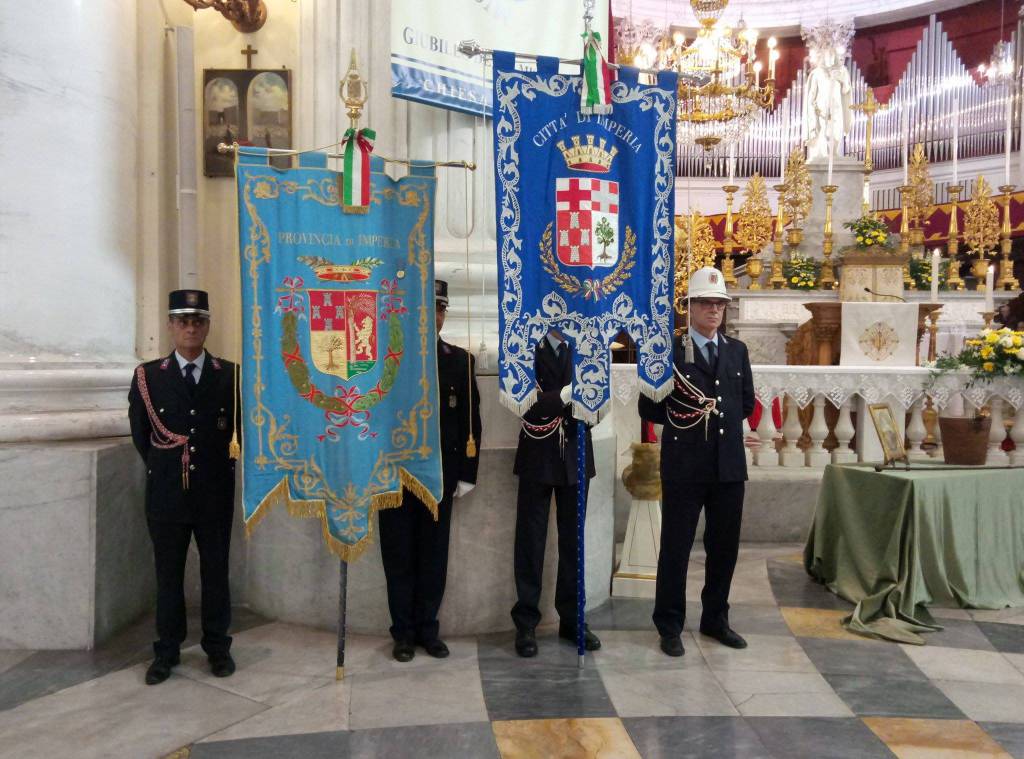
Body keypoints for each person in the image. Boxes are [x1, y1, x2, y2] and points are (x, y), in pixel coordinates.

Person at [638, 267, 755, 657]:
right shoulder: (669, 350)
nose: (714, 310)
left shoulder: (737, 351)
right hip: (685, 465)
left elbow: (746, 402)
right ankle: (669, 624)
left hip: (727, 467)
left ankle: (715, 619)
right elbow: (648, 407)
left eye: (719, 304)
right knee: (676, 546)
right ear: (689, 308)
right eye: (706, 303)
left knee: (724, 547)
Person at [128, 290, 239, 685]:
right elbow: (143, 437)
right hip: (167, 496)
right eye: (182, 321)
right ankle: (167, 651)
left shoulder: (229, 375)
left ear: (207, 325)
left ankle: (217, 647)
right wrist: (171, 469)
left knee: (215, 573)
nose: (190, 328)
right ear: (171, 326)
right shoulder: (147, 377)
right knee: (168, 576)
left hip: (214, 494)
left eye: (198, 321)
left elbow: (238, 433)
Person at [378, 279, 482, 662]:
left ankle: (428, 629)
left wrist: (467, 472)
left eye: (439, 309)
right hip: (394, 474)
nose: (434, 315)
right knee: (399, 555)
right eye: (428, 308)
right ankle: (402, 633)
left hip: (440, 474)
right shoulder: (389, 359)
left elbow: (471, 420)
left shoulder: (459, 360)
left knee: (434, 556)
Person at [510, 328, 601, 657]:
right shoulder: (522, 349)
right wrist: (565, 395)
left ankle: (573, 618)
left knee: (574, 543)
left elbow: (596, 404)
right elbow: (525, 405)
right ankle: (526, 622)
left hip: (576, 454)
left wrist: (582, 402)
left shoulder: (587, 349)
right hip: (537, 454)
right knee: (530, 541)